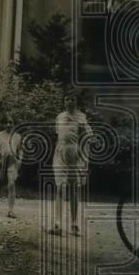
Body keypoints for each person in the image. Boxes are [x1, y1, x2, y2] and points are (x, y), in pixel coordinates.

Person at [51, 90, 93, 236]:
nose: (69, 102)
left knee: (74, 189)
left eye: (72, 99)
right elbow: (59, 136)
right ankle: (57, 224)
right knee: (60, 187)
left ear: (76, 102)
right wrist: (56, 152)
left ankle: (74, 224)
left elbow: (86, 138)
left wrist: (84, 157)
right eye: (67, 99)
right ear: (64, 101)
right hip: (60, 153)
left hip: (75, 154)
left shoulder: (81, 117)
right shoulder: (60, 117)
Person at [0, 113, 23, 218]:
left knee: (12, 184)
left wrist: (20, 159)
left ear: (14, 124)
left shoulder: (18, 137)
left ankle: (10, 210)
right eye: (6, 123)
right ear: (3, 124)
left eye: (11, 122)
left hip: (13, 162)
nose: (8, 125)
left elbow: (21, 150)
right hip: (1, 161)